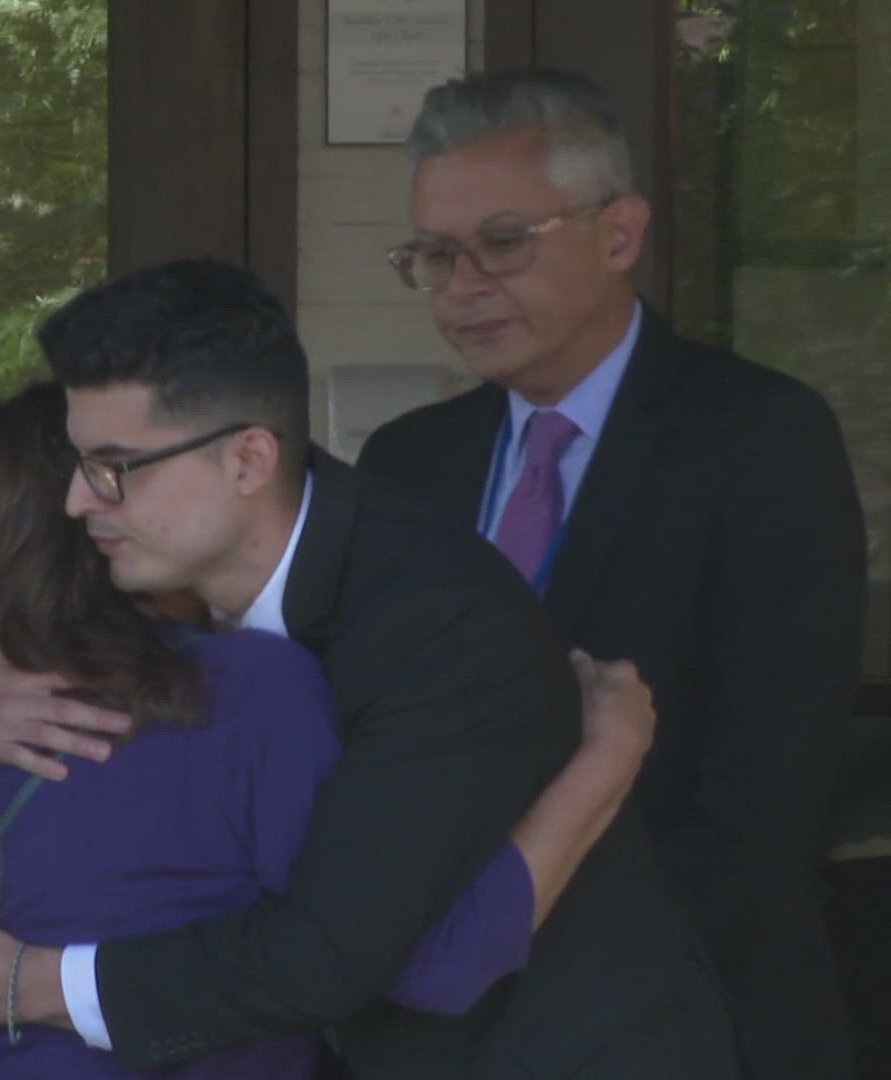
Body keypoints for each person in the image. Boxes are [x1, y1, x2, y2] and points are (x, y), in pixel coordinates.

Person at [0, 258, 738, 1078]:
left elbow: (342, 952)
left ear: (248, 461)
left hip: (551, 1054)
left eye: (113, 470)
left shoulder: (434, 620)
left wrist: (26, 984)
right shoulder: (169, 610)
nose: (76, 501)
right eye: (75, 464)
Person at [357, 68, 865, 1080]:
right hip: (439, 1022)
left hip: (685, 1014)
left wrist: (553, 977)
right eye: (434, 256)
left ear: (620, 233)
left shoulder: (760, 436)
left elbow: (769, 796)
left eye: (502, 244)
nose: (463, 286)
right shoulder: (406, 464)